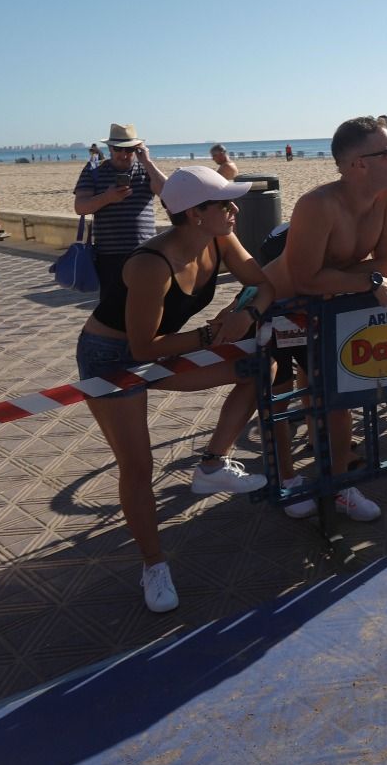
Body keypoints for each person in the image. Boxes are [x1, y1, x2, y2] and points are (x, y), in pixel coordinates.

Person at [77, 166, 278, 612]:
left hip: (165, 346)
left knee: (257, 367)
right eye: (224, 203)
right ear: (194, 214)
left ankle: (211, 465)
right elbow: (142, 346)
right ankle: (153, 563)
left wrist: (245, 314)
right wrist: (212, 333)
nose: (234, 209)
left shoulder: (219, 238)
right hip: (111, 358)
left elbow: (264, 285)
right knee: (137, 465)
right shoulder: (151, 264)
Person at [282, 116, 387, 522]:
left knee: (338, 401)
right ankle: (285, 481)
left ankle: (339, 484)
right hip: (281, 307)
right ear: (359, 164)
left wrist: (363, 279)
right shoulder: (317, 205)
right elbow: (303, 277)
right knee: (277, 397)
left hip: (332, 306)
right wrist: (368, 278)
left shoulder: (386, 195)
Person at [73, 123, 168, 305]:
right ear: (109, 148)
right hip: (109, 256)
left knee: (147, 303)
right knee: (112, 307)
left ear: (137, 149)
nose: (124, 155)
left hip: (145, 252)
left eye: (130, 149)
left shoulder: (146, 170)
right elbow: (80, 207)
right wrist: (107, 198)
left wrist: (148, 162)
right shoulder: (94, 171)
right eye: (118, 149)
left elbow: (169, 193)